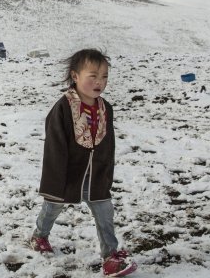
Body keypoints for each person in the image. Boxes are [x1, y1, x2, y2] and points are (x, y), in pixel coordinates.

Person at [30, 49, 137, 277]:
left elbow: (108, 144)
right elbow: (55, 146)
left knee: (105, 212)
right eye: (93, 76)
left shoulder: (105, 108)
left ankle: (110, 257)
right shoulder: (63, 108)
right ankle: (39, 236)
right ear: (75, 76)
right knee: (52, 208)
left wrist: (106, 172)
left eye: (105, 76)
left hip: (96, 174)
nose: (100, 82)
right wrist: (56, 179)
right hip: (67, 174)